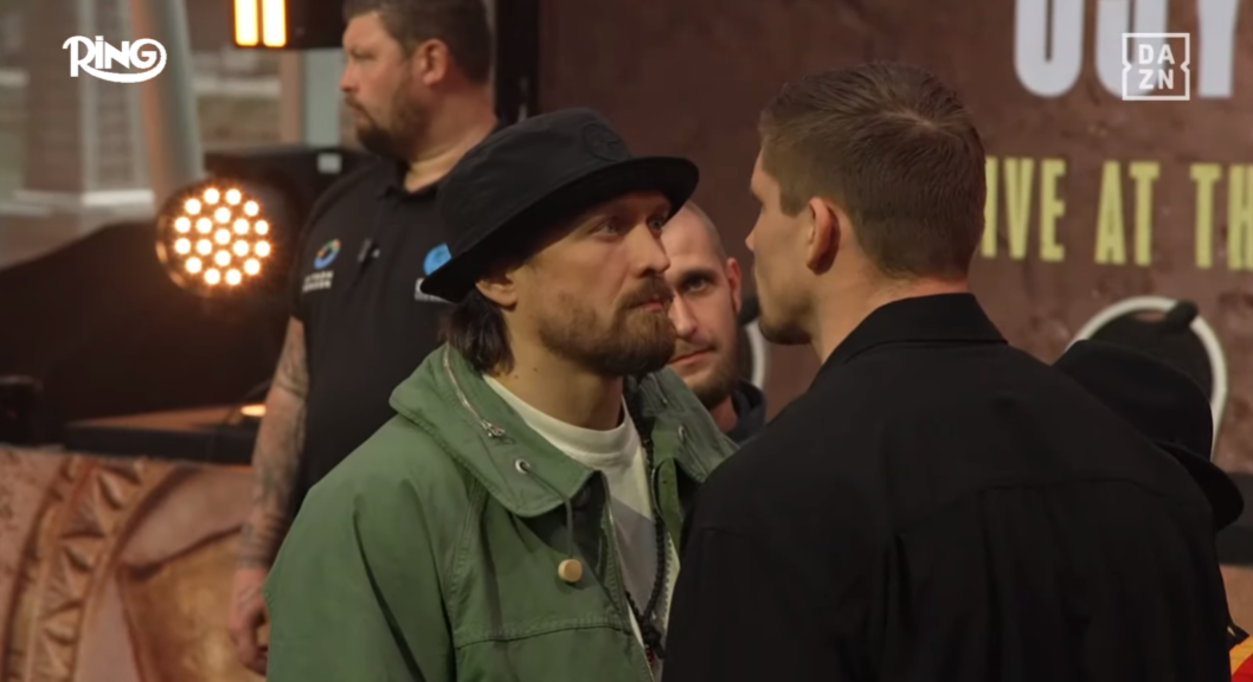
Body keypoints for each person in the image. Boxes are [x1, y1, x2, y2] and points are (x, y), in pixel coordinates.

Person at [662, 62, 1233, 682]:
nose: (750, 237)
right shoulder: (1160, 488)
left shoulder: (766, 502)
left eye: (763, 204)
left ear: (818, 230)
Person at [262, 108, 737, 682]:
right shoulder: (376, 511)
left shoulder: (698, 454)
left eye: (655, 222)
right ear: (498, 276)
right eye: (609, 228)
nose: (656, 257)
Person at [227, 0, 498, 673]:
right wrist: (256, 557)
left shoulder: (516, 205)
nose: (345, 80)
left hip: (467, 584)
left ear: (430, 61)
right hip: (329, 576)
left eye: (363, 57)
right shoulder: (339, 206)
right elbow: (293, 389)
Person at [662, 203, 766, 443]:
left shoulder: (809, 458)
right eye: (656, 300)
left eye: (696, 284)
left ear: (733, 286)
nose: (684, 325)